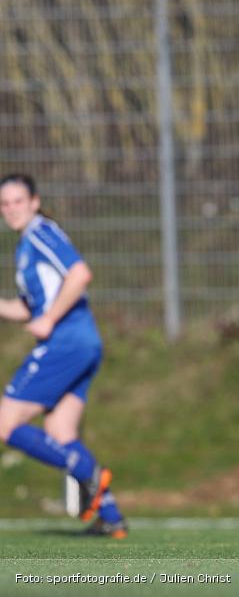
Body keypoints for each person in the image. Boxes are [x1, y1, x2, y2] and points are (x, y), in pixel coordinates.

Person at [0, 173, 127, 538]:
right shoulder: (25, 246)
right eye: (4, 204)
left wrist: (50, 319)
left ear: (34, 202)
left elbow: (80, 273)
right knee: (59, 431)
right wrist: (38, 315)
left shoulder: (41, 232)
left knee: (7, 423)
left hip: (67, 341)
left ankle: (87, 473)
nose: (10, 210)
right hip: (84, 342)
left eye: (17, 201)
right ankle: (111, 518)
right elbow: (30, 308)